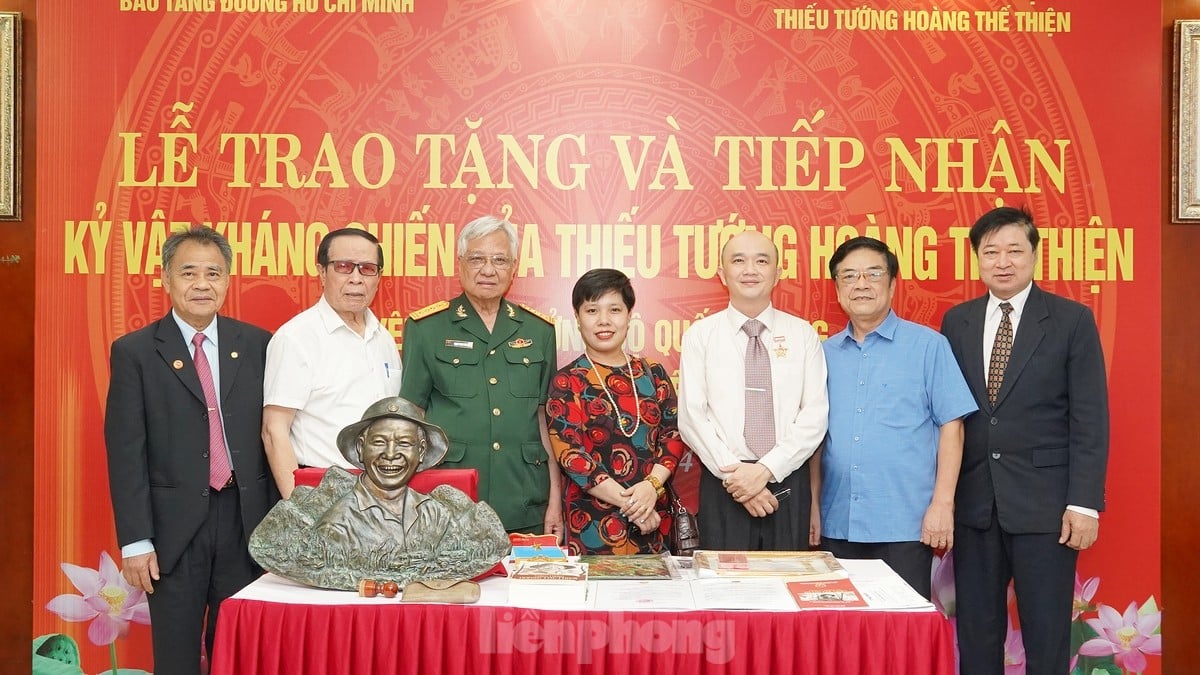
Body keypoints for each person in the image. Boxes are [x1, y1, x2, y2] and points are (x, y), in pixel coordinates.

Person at [941, 206, 1109, 675]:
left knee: (1046, 634)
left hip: (1047, 508)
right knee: (976, 632)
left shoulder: (1071, 319)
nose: (1003, 261)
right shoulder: (958, 321)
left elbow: (1090, 417)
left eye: (1015, 250)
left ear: (1035, 254)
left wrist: (1085, 503)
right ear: (976, 258)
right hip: (974, 507)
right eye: (990, 251)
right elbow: (950, 415)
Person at [105, 227, 276, 674]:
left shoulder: (258, 345)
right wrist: (136, 541)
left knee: (240, 654)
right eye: (189, 272)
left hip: (246, 525)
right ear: (165, 278)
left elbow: (277, 434)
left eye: (214, 273)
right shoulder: (135, 353)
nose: (202, 284)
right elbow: (126, 452)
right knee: (177, 658)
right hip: (172, 534)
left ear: (228, 279)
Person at [818, 236, 977, 599]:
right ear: (838, 289)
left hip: (904, 524)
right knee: (843, 637)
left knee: (900, 639)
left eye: (873, 274)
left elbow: (952, 427)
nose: (861, 284)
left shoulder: (928, 346)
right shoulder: (823, 354)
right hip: (837, 522)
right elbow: (814, 440)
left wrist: (942, 504)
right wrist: (814, 508)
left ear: (892, 284)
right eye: (849, 276)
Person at [400, 215, 563, 536]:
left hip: (525, 498)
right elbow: (411, 418)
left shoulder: (539, 330)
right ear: (459, 263)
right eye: (477, 259)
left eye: (499, 260)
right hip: (448, 501)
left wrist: (554, 499)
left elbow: (545, 420)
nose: (488, 270)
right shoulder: (426, 328)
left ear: (514, 268)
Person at [249, 396, 509, 590]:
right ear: (361, 448)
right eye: (379, 442)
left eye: (404, 443)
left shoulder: (436, 512)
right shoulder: (337, 521)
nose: (391, 454)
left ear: (420, 452)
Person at [678, 230, 828, 551]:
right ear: (722, 274)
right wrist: (739, 478)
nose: (750, 269)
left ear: (778, 273)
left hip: (787, 479)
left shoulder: (803, 335)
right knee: (726, 592)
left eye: (762, 261)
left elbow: (814, 416)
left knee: (786, 588)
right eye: (738, 260)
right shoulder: (701, 336)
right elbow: (693, 417)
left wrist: (766, 470)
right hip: (724, 482)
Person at [545, 269, 687, 555]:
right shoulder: (567, 381)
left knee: (656, 598)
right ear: (577, 317)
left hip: (654, 520)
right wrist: (634, 505)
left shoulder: (655, 374)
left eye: (614, 310)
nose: (604, 321)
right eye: (592, 310)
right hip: (591, 525)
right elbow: (571, 457)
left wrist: (652, 488)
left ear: (629, 314)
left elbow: (673, 437)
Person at [262, 228, 401, 498]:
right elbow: (273, 430)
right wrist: (300, 509)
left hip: (385, 491)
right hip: (323, 489)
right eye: (344, 267)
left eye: (367, 269)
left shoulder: (382, 337)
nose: (356, 279)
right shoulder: (296, 338)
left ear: (379, 277)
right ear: (323, 272)